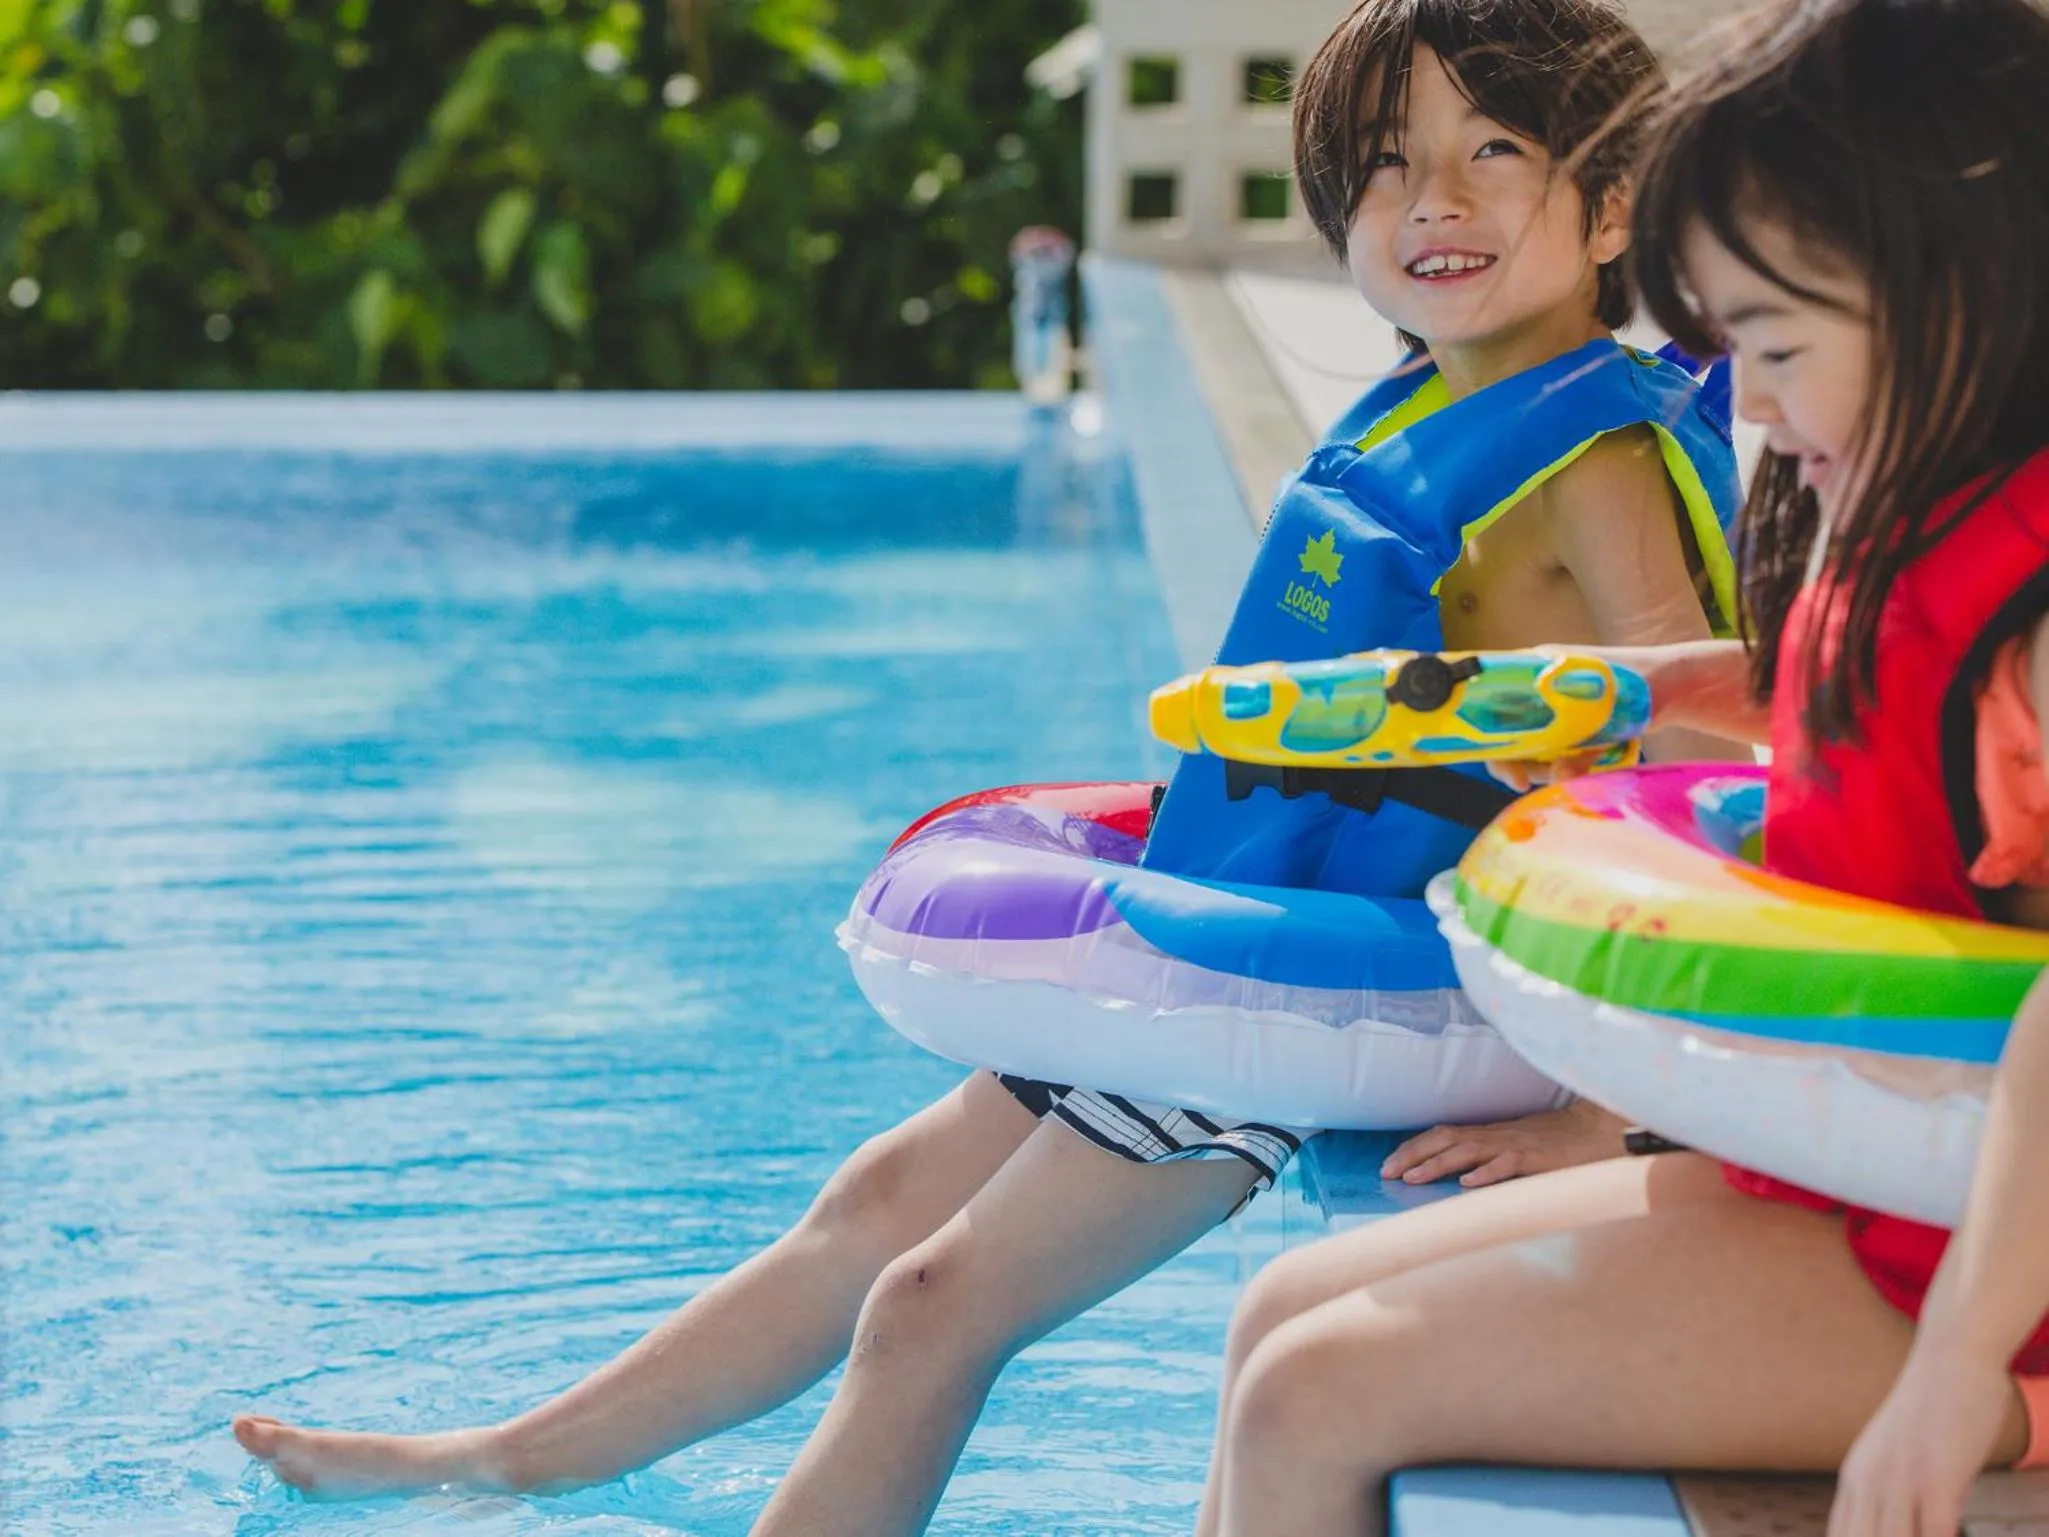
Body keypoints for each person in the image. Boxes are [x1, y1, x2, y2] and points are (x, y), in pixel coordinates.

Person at [229, 1, 1737, 1528]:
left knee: (934, 1304)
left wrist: (1603, 1103)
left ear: (1613, 204)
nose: (1436, 202)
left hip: (1353, 982)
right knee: (874, 1206)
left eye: (1497, 152)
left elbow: (1690, 759)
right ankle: (512, 1458)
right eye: (1389, 164)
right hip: (1269, 922)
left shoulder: (1592, 462)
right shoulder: (1437, 407)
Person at [1195, 2, 2049, 1535]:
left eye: (1778, 350)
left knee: (1310, 1396)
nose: (1758, 415)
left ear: (1969, 294)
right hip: (1848, 1184)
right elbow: (1877, 732)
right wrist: (1620, 688)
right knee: (1276, 1322)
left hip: (1984, 1267)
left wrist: (1960, 1368)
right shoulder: (1911, 514)